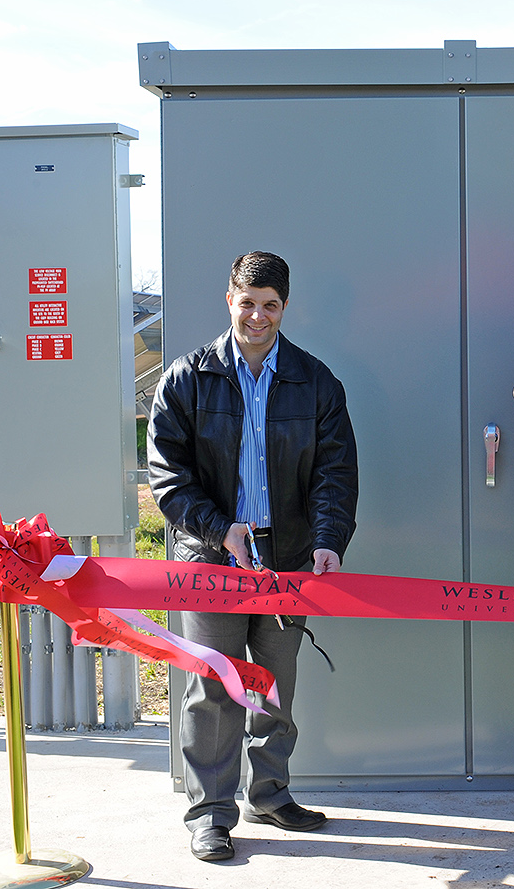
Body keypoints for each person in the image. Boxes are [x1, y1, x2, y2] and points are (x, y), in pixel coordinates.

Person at [148, 251, 358, 862]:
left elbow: (334, 474)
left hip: (287, 560)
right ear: (229, 301)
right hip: (210, 560)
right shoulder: (187, 378)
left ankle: (270, 792)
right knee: (213, 686)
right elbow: (168, 478)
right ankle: (210, 813)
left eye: (270, 306)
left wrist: (327, 539)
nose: (258, 316)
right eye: (248, 303)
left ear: (285, 307)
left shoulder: (317, 382)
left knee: (272, 683)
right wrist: (220, 531)